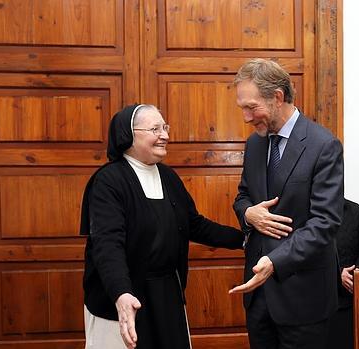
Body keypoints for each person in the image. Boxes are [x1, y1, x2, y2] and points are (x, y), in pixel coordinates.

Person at [80, 104, 243, 349]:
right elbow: (107, 244)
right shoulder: (108, 181)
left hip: (166, 292)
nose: (165, 135)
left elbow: (194, 225)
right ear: (129, 134)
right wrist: (121, 293)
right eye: (155, 129)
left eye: (165, 127)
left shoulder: (168, 176)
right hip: (124, 293)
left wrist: (244, 239)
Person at [229, 58, 344, 349]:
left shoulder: (323, 145)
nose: (245, 117)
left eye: (251, 107)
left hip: (303, 298)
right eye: (242, 107)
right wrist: (248, 214)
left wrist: (275, 261)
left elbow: (325, 222)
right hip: (258, 298)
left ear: (278, 97)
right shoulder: (255, 144)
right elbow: (243, 196)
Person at [326, 198, 359, 349]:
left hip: (347, 299)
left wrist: (358, 273)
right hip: (316, 303)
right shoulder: (305, 211)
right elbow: (306, 253)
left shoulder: (354, 210)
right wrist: (336, 274)